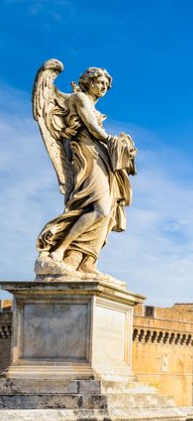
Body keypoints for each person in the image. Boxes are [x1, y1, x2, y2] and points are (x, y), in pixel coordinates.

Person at [33, 60, 137, 282]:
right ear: (88, 82)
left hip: (103, 157)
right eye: (99, 82)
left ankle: (87, 261)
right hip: (88, 156)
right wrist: (115, 141)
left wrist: (124, 150)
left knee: (108, 212)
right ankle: (59, 251)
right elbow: (92, 128)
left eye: (105, 85)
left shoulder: (93, 105)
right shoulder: (79, 98)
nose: (102, 87)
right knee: (99, 207)